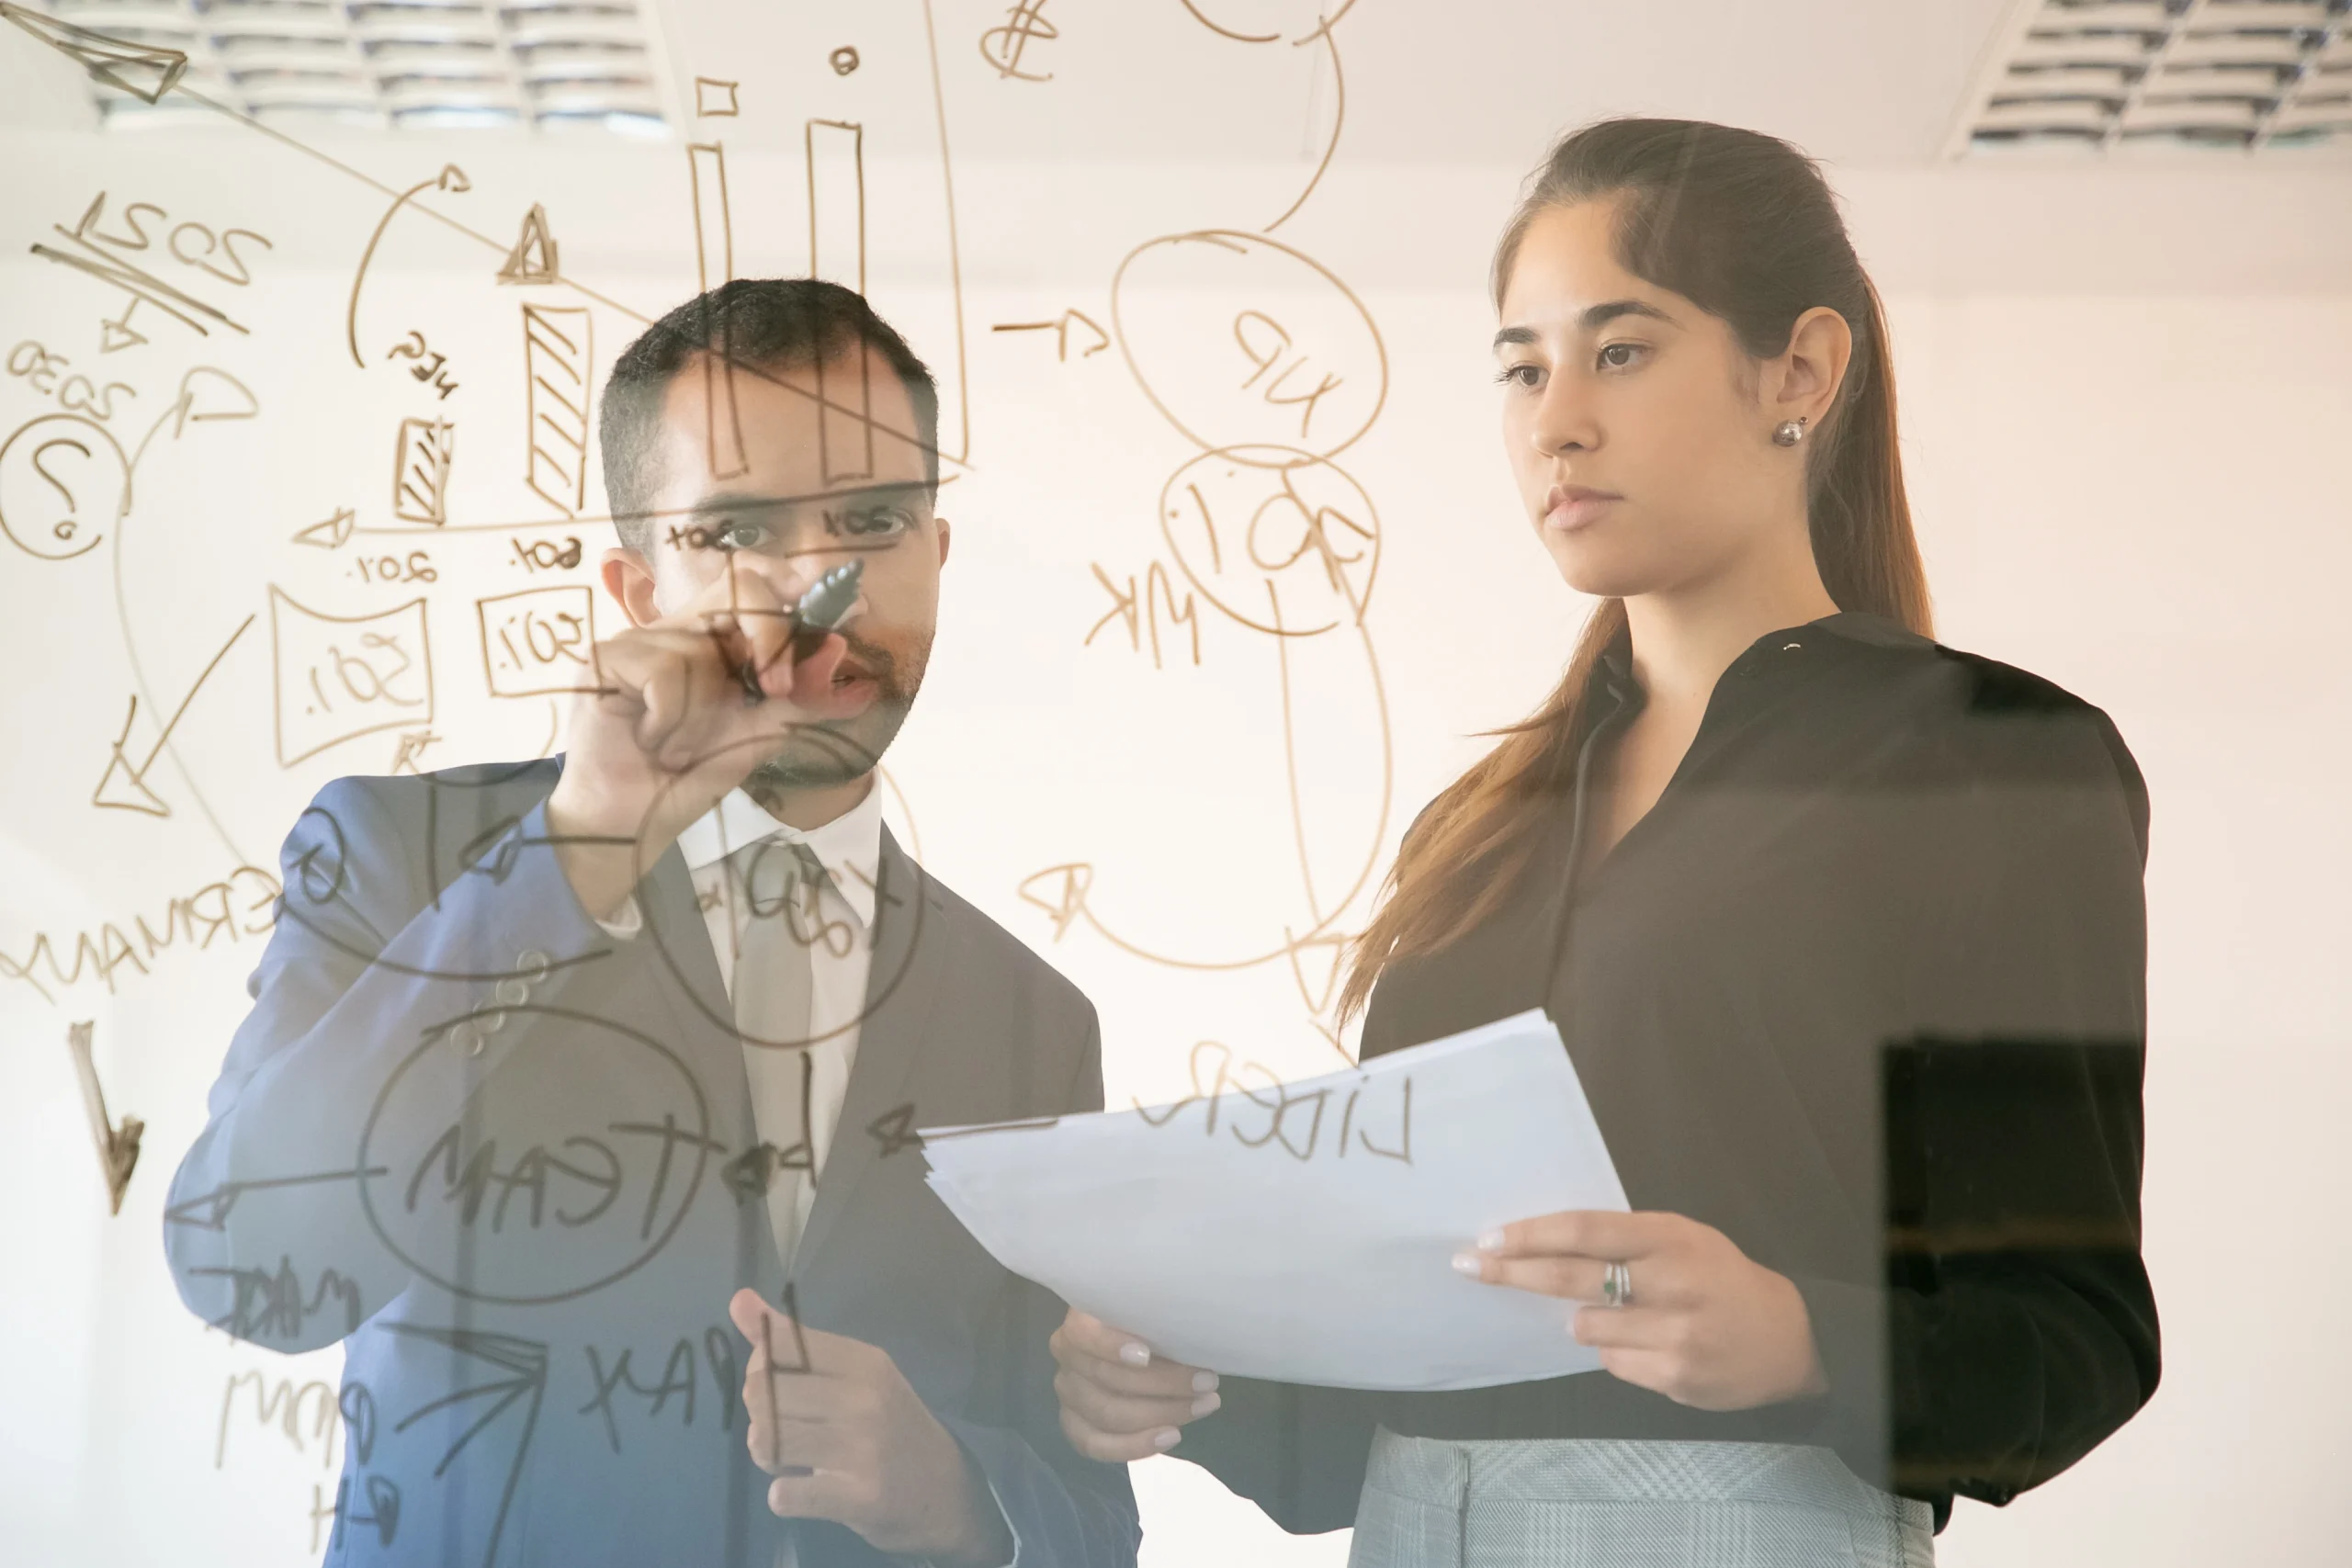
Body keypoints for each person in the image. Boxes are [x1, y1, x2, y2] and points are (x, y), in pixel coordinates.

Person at [1048, 117, 2159, 1565]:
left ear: (1801, 372)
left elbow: (2075, 1336)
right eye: (1522, 367)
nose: (1554, 420)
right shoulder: (1484, 826)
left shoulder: (1989, 762)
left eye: (1619, 350)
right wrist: (1190, 1375)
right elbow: (1371, 1408)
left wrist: (1805, 1337)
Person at [165, 279, 1138, 1568]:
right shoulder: (404, 857)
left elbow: (1091, 1517)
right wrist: (575, 854)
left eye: (873, 519)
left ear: (935, 557)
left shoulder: (1032, 1022)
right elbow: (248, 1263)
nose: (817, 587)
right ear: (638, 585)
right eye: (738, 528)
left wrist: (961, 1498)